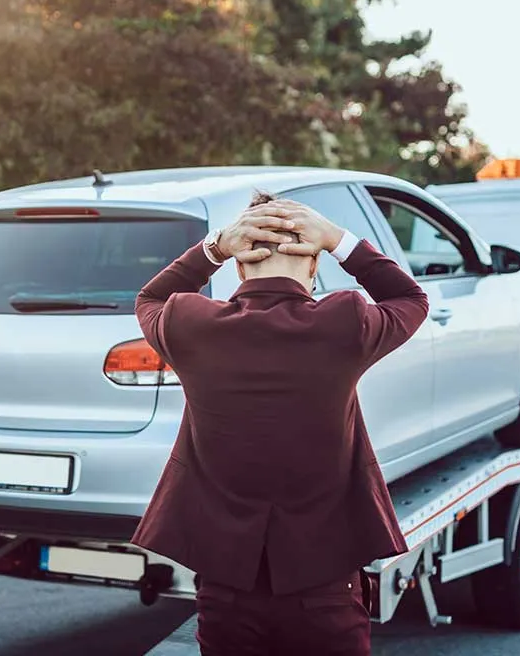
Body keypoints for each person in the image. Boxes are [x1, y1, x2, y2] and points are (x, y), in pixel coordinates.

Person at [131, 191, 431, 655]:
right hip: (326, 584)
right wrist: (337, 239)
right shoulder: (345, 322)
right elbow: (409, 297)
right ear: (313, 267)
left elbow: (149, 297)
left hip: (227, 586)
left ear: (239, 265)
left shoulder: (190, 323)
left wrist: (212, 247)